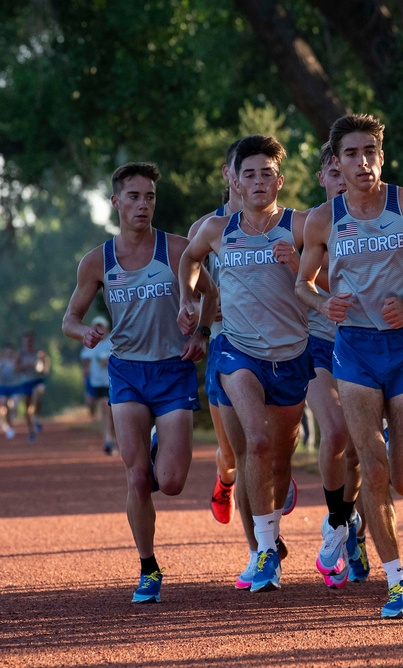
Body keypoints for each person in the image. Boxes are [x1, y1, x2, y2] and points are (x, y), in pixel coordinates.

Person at [295, 113, 403, 618]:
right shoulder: (324, 219)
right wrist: (324, 304)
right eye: (351, 154)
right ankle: (397, 583)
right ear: (336, 163)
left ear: (381, 157)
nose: (362, 162)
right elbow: (304, 283)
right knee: (372, 462)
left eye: (370, 152)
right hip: (355, 350)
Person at [62, 161, 217, 603]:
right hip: (127, 371)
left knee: (168, 482)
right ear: (115, 202)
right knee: (135, 478)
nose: (142, 204)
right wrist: (85, 332)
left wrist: (201, 333)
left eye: (149, 196)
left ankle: (157, 452)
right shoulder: (97, 261)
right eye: (133, 196)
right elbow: (69, 319)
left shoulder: (178, 250)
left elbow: (211, 293)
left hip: (173, 371)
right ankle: (148, 567)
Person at [180, 135, 312, 593]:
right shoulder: (214, 227)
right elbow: (190, 262)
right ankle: (263, 551)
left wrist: (299, 265)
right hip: (232, 348)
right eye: (247, 173)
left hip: (291, 353)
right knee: (250, 444)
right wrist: (193, 309)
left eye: (265, 173)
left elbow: (329, 278)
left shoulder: (301, 225)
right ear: (232, 177)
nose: (256, 181)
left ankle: (266, 526)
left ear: (280, 179)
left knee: (277, 457)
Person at [308, 142, 369, 589]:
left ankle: (354, 528)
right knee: (335, 432)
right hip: (316, 345)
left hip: (367, 344)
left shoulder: (378, 216)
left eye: (344, 168)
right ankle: (336, 521)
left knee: (360, 449)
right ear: (324, 178)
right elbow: (293, 283)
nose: (340, 177)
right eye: (332, 171)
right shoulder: (308, 224)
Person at [80, 315, 117, 455]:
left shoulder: (113, 343)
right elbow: (85, 365)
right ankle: (107, 439)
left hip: (112, 381)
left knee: (113, 412)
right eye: (97, 326)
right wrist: (86, 386)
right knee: (104, 407)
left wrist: (110, 362)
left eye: (101, 326)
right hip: (97, 382)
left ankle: (111, 437)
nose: (99, 329)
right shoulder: (90, 343)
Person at [15, 332, 50, 441]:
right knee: (28, 408)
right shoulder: (20, 354)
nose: (28, 343)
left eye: (30, 341)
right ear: (23, 342)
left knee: (38, 391)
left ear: (33, 342)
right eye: (26, 341)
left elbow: (47, 361)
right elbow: (15, 369)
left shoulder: (39, 353)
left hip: (38, 380)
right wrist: (26, 365)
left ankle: (36, 417)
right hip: (26, 382)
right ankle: (31, 431)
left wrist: (44, 369)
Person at [0, 345, 18, 439]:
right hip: (3, 387)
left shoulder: (15, 362)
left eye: (10, 352)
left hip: (14, 387)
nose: (9, 354)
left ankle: (11, 419)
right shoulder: (1, 363)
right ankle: (10, 427)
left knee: (14, 407)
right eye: (7, 352)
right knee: (4, 406)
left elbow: (20, 373)